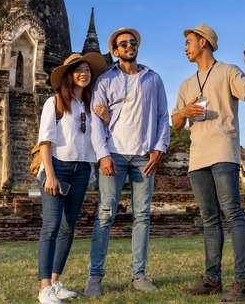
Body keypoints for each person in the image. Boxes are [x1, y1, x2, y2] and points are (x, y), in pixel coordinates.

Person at [172, 24, 245, 302]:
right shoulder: (186, 84)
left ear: (203, 42)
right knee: (209, 220)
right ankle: (212, 279)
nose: (185, 47)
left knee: (233, 215)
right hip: (197, 157)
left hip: (223, 151)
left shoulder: (228, 71)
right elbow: (175, 124)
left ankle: (243, 284)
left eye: (189, 42)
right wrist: (185, 112)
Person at [84, 27, 170, 296]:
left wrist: (159, 149)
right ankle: (95, 278)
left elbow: (162, 117)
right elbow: (97, 121)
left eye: (133, 43)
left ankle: (139, 275)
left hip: (144, 156)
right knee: (105, 214)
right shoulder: (105, 81)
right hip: (115, 155)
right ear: (115, 51)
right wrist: (103, 155)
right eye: (124, 44)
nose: (130, 46)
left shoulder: (153, 79)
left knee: (142, 216)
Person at [36, 52, 107, 304]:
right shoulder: (54, 102)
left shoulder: (91, 106)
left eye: (87, 69)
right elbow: (45, 142)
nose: (84, 73)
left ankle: (55, 282)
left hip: (82, 170)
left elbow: (100, 138)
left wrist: (106, 119)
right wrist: (50, 176)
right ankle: (44, 288)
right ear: (68, 75)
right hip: (56, 166)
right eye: (78, 69)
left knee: (68, 229)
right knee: (51, 226)